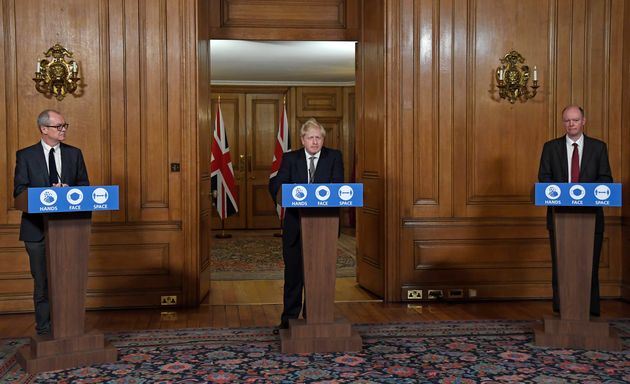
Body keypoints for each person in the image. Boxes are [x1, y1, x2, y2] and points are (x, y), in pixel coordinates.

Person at [13, 109, 90, 335]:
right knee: (43, 282)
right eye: (59, 126)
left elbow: (85, 187)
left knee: (69, 280)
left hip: (69, 229)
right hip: (36, 230)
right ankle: (45, 329)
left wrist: (69, 191)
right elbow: (19, 191)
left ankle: (70, 327)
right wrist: (48, 193)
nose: (63, 129)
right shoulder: (25, 155)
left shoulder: (74, 154)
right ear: (44, 129)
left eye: (65, 125)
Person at [269, 118, 344, 334]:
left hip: (324, 228)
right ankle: (289, 320)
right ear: (303, 140)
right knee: (293, 275)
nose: (314, 142)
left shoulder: (334, 157)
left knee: (320, 274)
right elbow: (276, 183)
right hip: (295, 226)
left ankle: (315, 317)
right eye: (310, 137)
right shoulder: (290, 158)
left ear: (323, 139)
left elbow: (338, 187)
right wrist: (282, 194)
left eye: (318, 137)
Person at [538, 104, 612, 317]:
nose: (571, 124)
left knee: (590, 266)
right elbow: (544, 179)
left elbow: (606, 179)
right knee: (562, 266)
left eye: (575, 120)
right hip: (560, 218)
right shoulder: (550, 147)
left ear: (583, 121)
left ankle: (591, 308)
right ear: (563, 123)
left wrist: (582, 193)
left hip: (591, 219)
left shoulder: (599, 148)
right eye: (567, 120)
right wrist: (565, 193)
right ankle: (561, 308)